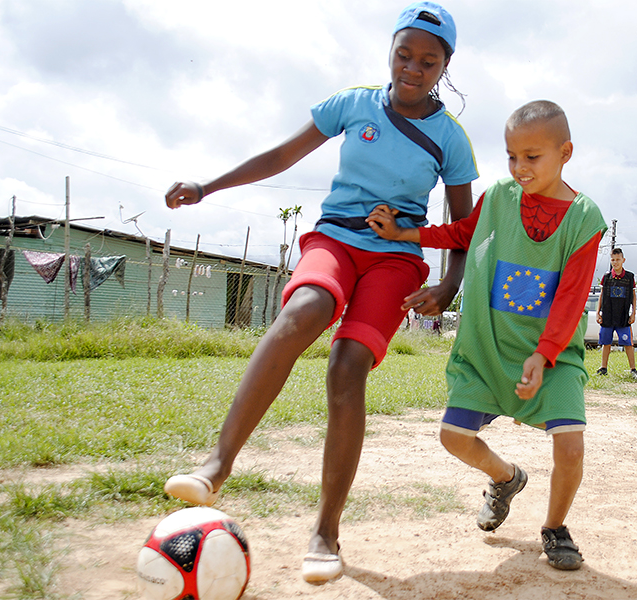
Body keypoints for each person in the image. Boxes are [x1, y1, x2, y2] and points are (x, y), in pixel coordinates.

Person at [162, 2, 477, 584]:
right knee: (304, 311)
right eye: (403, 54)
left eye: (428, 61)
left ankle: (326, 529)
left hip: (397, 258)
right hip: (334, 238)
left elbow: (463, 226)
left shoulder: (450, 139)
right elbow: (282, 154)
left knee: (347, 366)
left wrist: (449, 284)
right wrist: (208, 185)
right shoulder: (352, 104)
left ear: (445, 66)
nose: (413, 68)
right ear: (391, 51)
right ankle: (216, 464)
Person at [368, 100, 605, 570]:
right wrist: (405, 233)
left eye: (532, 156)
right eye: (511, 156)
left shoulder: (584, 218)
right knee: (453, 437)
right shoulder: (499, 197)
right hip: (488, 347)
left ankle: (554, 528)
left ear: (566, 152)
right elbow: (461, 233)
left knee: (571, 447)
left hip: (551, 355)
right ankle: (506, 477)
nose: (519, 167)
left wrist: (545, 354)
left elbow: (572, 297)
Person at [595, 248, 637, 379]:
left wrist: (633, 313)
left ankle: (633, 370)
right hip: (608, 315)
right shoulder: (606, 277)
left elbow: (633, 295)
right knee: (606, 342)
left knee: (628, 343)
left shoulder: (629, 277)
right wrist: (598, 313)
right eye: (613, 260)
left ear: (623, 260)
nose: (615, 262)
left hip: (622, 316)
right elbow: (602, 295)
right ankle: (603, 368)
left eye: (618, 260)